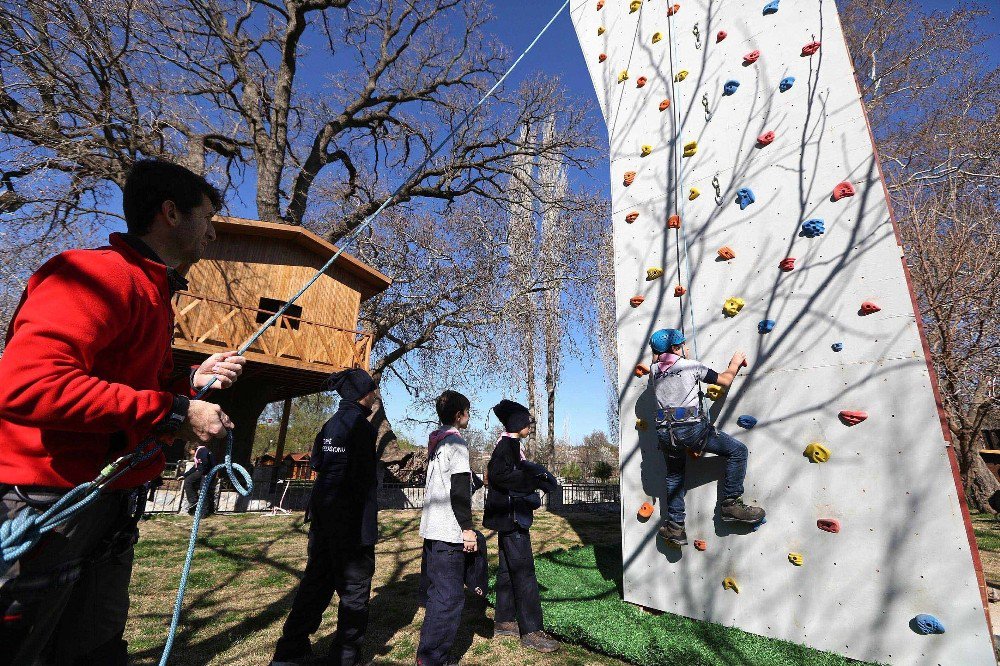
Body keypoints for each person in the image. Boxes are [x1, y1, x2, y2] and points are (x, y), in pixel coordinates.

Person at [0, 159, 246, 665]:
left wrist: (189, 383)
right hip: (47, 504)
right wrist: (175, 412)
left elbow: (130, 392)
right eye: (208, 219)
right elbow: (26, 384)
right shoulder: (94, 274)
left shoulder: (154, 291)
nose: (213, 235)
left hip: (106, 505)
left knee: (94, 651)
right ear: (171, 213)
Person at [271, 368, 379, 666]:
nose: (374, 396)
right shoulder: (363, 427)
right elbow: (362, 478)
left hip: (322, 518)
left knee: (315, 583)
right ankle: (345, 656)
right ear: (362, 394)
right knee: (355, 590)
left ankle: (290, 651)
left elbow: (318, 461)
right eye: (372, 391)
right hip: (351, 522)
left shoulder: (329, 424)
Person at [648, 328, 766, 547]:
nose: (686, 348)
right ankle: (730, 505)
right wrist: (735, 363)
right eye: (682, 345)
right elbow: (723, 381)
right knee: (738, 451)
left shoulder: (654, 371)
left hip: (666, 434)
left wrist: (670, 352)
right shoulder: (691, 366)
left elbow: (662, 362)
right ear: (676, 348)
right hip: (692, 430)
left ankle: (675, 526)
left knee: (675, 476)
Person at [483, 399, 560, 654]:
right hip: (513, 517)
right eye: (528, 423)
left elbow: (507, 473)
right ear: (519, 425)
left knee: (507, 570)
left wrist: (536, 474)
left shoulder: (509, 445)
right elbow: (499, 475)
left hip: (507, 517)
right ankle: (532, 631)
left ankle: (504, 620)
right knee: (525, 572)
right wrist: (532, 481)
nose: (530, 426)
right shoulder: (507, 445)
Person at [416, 390, 482, 666]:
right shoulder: (456, 444)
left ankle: (428, 655)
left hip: (431, 529)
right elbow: (457, 492)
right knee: (450, 598)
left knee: (437, 594)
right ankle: (432, 659)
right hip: (448, 532)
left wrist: (475, 480)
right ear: (459, 415)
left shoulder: (436, 441)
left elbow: (446, 483)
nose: (468, 417)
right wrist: (467, 528)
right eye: (467, 412)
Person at [179, 442, 217, 516]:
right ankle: (193, 501)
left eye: (189, 452)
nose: (190, 454)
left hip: (208, 472)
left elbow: (206, 462)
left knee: (203, 489)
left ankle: (203, 513)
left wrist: (204, 474)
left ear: (191, 449)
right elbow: (195, 467)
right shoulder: (198, 453)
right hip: (202, 471)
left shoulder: (202, 451)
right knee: (188, 481)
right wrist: (185, 475)